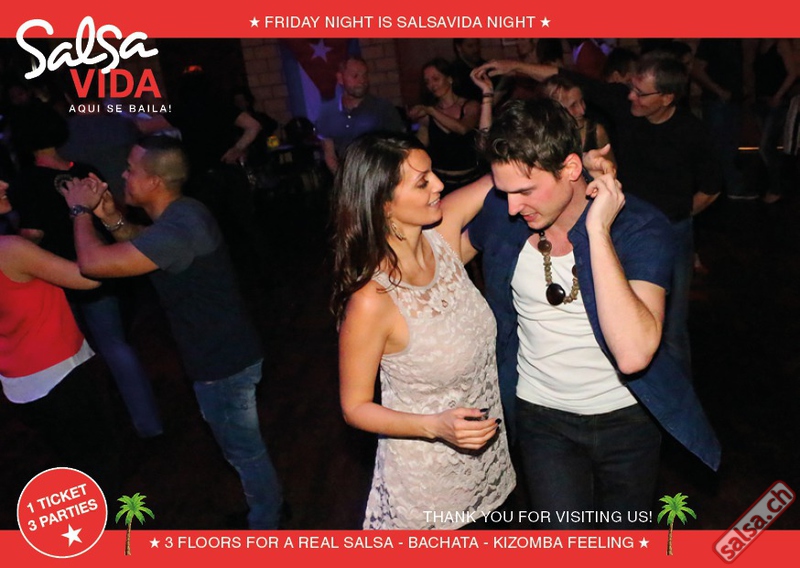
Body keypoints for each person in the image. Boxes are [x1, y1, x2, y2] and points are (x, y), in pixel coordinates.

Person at [462, 99, 721, 529]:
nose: (511, 207)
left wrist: (597, 230)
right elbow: (431, 262)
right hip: (541, 416)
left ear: (569, 169)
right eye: (504, 191)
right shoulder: (504, 213)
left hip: (627, 419)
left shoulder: (639, 227)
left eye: (524, 190)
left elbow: (633, 354)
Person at [60, 135, 283, 530]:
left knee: (245, 453)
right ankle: (266, 512)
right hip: (226, 353)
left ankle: (266, 526)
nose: (123, 175)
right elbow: (145, 246)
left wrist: (79, 210)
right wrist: (110, 217)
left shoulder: (179, 229)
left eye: (131, 170)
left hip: (222, 364)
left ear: (154, 182)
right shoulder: (183, 213)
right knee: (242, 450)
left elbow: (92, 264)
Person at [475, 51, 723, 379]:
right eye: (631, 87)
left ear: (667, 98)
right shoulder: (623, 107)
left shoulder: (693, 132)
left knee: (671, 328)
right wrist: (513, 66)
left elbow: (712, 188)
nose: (631, 95)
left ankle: (669, 396)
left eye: (641, 92)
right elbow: (565, 75)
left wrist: (677, 216)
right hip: (620, 224)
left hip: (671, 228)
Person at [331, 132, 515, 529]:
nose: (439, 185)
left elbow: (503, 175)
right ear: (384, 204)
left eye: (432, 173)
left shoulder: (441, 237)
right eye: (422, 182)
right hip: (430, 486)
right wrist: (435, 427)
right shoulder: (373, 300)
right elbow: (354, 407)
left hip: (491, 464)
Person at [7, 102, 163, 439]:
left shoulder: (26, 182)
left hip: (59, 280)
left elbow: (31, 238)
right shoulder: (85, 170)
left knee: (78, 357)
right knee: (115, 345)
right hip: (101, 269)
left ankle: (100, 426)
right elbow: (111, 215)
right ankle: (147, 423)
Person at [0, 178, 119, 493]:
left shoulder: (13, 248)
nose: (4, 183)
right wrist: (81, 212)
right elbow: (92, 275)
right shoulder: (10, 250)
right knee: (101, 471)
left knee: (78, 468)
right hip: (59, 375)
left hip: (21, 382)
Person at [316, 56, 406, 175]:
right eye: (355, 76)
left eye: (364, 75)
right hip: (346, 177)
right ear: (340, 78)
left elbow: (399, 147)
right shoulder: (327, 112)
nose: (362, 81)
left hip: (379, 175)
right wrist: (344, 179)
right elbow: (329, 155)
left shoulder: (383, 108)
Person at [407, 58, 484, 196]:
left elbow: (463, 128)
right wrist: (413, 123)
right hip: (442, 182)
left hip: (471, 181)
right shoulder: (428, 113)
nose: (432, 85)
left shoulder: (470, 105)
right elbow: (421, 145)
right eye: (427, 82)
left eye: (435, 79)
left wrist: (432, 111)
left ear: (449, 78)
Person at [536, 75, 616, 162]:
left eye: (582, 101)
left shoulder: (596, 132)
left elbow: (611, 167)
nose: (582, 110)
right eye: (573, 106)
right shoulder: (540, 140)